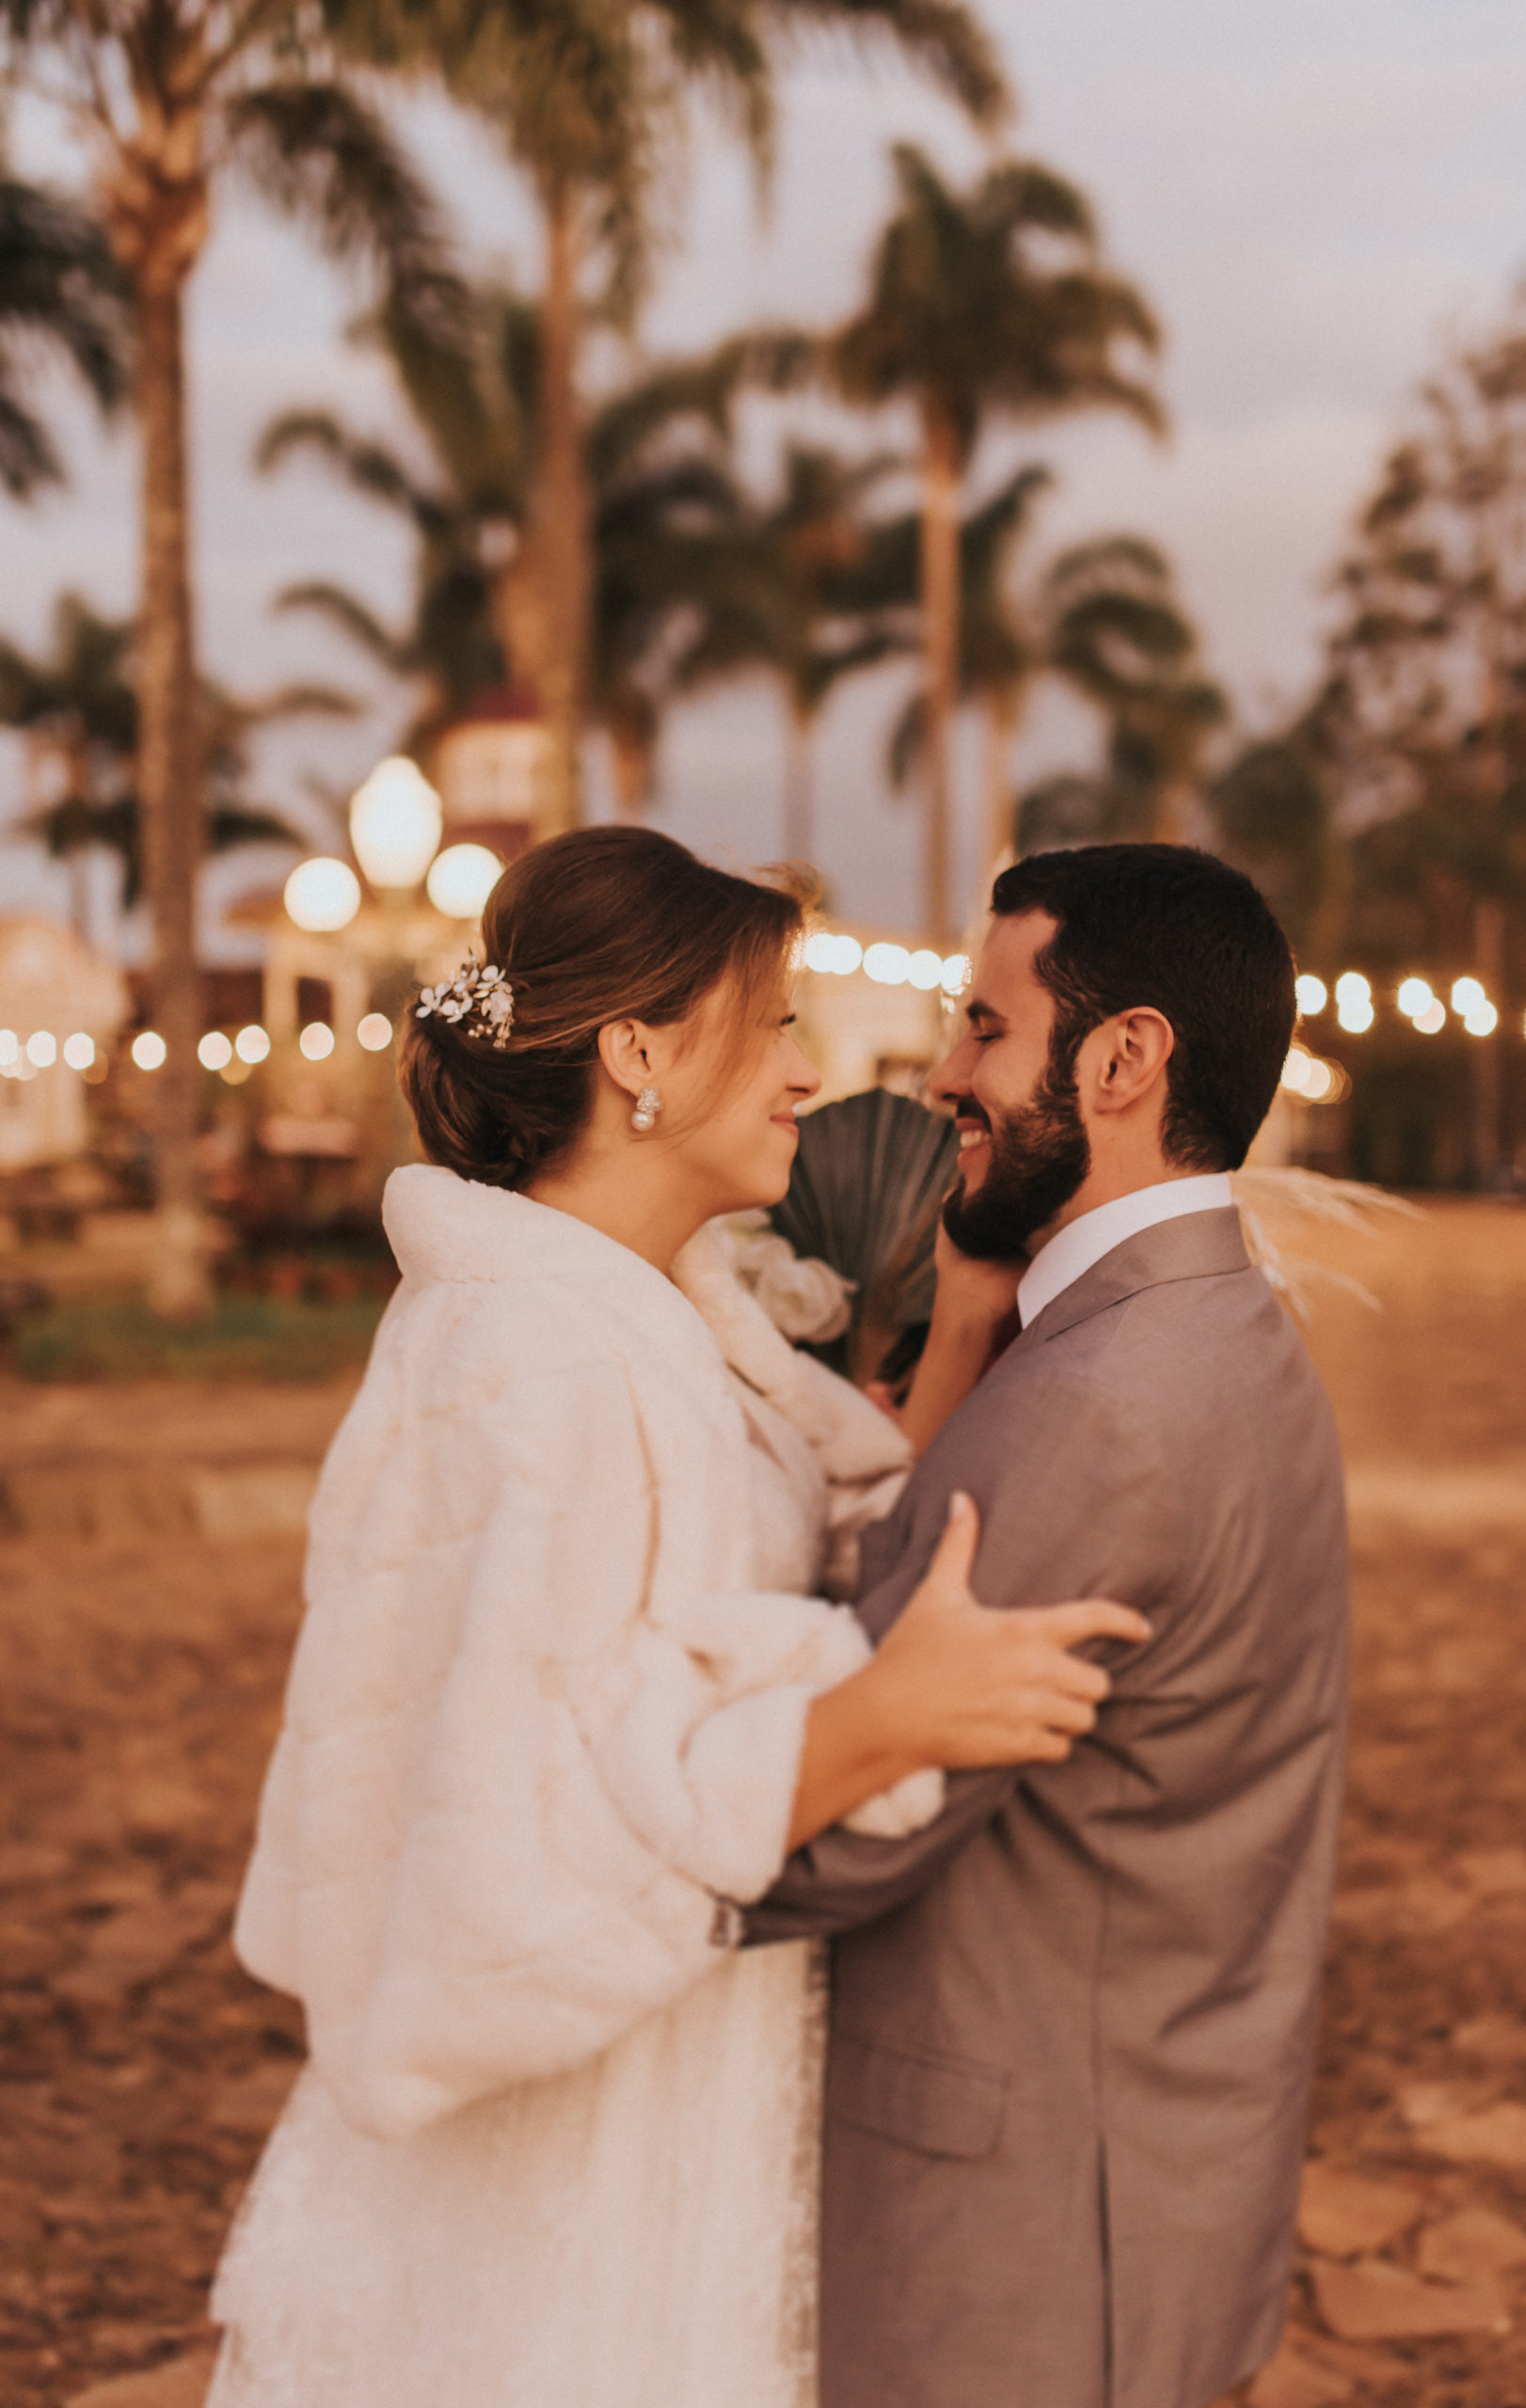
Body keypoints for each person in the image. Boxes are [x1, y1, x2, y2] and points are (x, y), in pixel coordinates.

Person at [205, 826, 1146, 2408]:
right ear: (639, 1049)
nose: (805, 1070)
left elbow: (829, 1521)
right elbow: (514, 1841)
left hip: (660, 2073)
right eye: (772, 1020)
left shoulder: (646, 1314)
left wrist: (971, 1302)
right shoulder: (540, 1361)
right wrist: (870, 1727)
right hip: (558, 2162)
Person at [746, 843, 1352, 2408]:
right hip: (1147, 2171)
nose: (943, 1075)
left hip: (1019, 2241)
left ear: (1123, 1058)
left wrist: (568, 1809)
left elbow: (844, 1830)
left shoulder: (1099, 1410)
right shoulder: (1212, 1332)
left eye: (982, 1030)